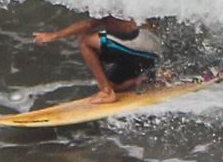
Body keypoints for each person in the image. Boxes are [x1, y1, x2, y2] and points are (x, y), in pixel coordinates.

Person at [33, 16, 174, 105]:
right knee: (114, 84)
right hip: (150, 50)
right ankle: (153, 77)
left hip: (139, 42)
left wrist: (54, 35)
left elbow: (89, 24)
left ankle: (106, 92)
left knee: (84, 40)